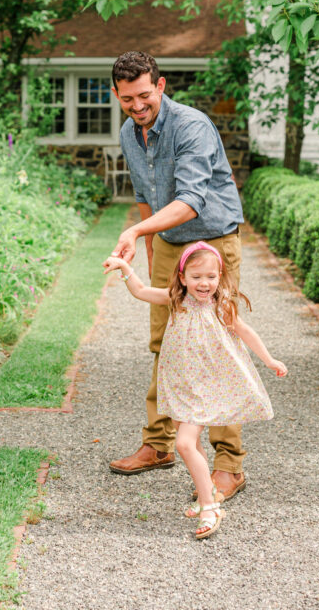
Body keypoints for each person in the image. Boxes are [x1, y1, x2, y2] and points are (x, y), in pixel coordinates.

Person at [108, 50, 248, 502]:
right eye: (127, 98)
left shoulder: (192, 127)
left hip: (211, 243)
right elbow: (147, 196)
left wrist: (135, 229)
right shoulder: (130, 132)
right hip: (167, 244)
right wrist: (151, 248)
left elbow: (190, 201)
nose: (137, 105)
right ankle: (158, 445)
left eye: (144, 95)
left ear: (161, 86)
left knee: (218, 347)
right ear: (117, 94)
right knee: (163, 343)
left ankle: (228, 466)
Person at [104, 242, 287, 538]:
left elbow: (245, 331)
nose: (205, 283)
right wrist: (125, 268)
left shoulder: (221, 304)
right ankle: (210, 493)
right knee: (195, 446)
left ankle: (209, 506)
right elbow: (140, 291)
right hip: (181, 383)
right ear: (183, 277)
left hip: (206, 384)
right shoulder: (177, 299)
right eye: (197, 276)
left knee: (185, 444)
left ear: (220, 276)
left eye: (211, 277)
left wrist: (269, 360)